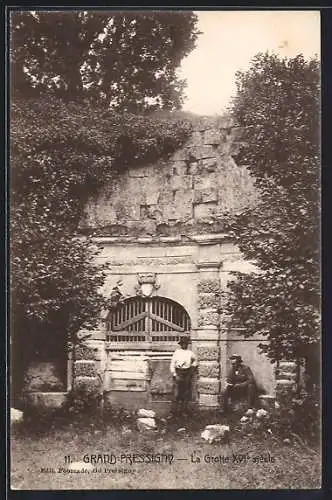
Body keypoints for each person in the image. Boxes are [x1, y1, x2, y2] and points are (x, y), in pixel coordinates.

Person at [170, 335, 197, 417]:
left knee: (186, 393)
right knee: (177, 393)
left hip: (187, 373)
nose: (184, 345)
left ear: (187, 344)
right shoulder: (177, 352)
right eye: (183, 344)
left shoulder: (190, 353)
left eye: (186, 344)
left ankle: (184, 411)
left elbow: (195, 361)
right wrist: (174, 373)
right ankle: (174, 412)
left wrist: (192, 368)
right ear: (181, 344)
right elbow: (172, 364)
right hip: (178, 372)